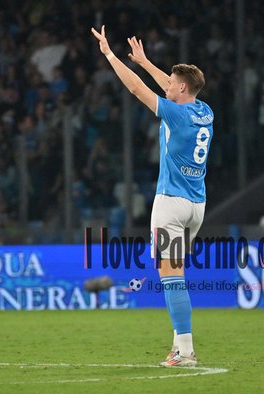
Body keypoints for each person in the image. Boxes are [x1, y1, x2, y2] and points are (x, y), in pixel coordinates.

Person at [91, 26, 213, 367]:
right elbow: (171, 89)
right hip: (197, 205)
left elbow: (136, 88)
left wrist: (110, 55)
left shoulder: (175, 112)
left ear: (182, 88)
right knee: (176, 274)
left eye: (172, 83)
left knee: (171, 277)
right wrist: (145, 62)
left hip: (171, 203)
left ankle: (185, 351)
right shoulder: (205, 111)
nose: (167, 85)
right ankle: (178, 347)